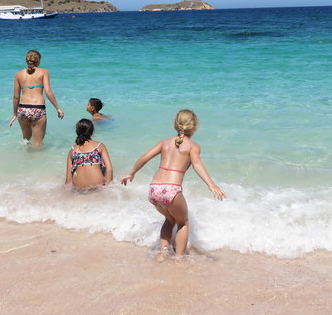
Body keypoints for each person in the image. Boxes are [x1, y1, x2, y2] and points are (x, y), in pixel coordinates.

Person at [120, 109, 225, 257]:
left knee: (169, 220)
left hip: (154, 189)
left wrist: (132, 173)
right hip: (171, 190)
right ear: (194, 127)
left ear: (176, 125)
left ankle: (163, 254)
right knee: (183, 222)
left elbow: (144, 157)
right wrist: (211, 184)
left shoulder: (164, 143)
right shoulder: (192, 146)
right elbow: (197, 165)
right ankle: (179, 258)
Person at [9, 50, 64, 146]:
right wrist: (58, 108)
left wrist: (14, 114)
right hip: (38, 108)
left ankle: (24, 159)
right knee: (38, 144)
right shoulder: (44, 72)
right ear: (38, 60)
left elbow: (16, 97)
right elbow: (48, 92)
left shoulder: (18, 74)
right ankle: (36, 160)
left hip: (23, 109)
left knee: (26, 140)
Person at [65, 118, 113, 189]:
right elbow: (109, 169)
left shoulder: (72, 150)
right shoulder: (99, 146)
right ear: (92, 131)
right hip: (98, 187)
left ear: (77, 131)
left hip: (79, 189)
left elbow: (68, 180)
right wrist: (108, 185)